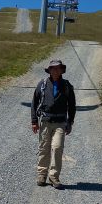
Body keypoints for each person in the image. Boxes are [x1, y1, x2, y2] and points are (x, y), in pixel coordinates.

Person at [31, 59, 76, 189]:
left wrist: (70, 122)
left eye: (58, 68)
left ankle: (54, 176)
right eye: (53, 68)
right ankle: (41, 174)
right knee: (44, 149)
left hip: (60, 123)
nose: (55, 70)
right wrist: (34, 121)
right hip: (45, 122)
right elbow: (34, 103)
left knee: (57, 147)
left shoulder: (67, 86)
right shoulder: (43, 84)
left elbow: (72, 105)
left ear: (62, 70)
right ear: (49, 70)